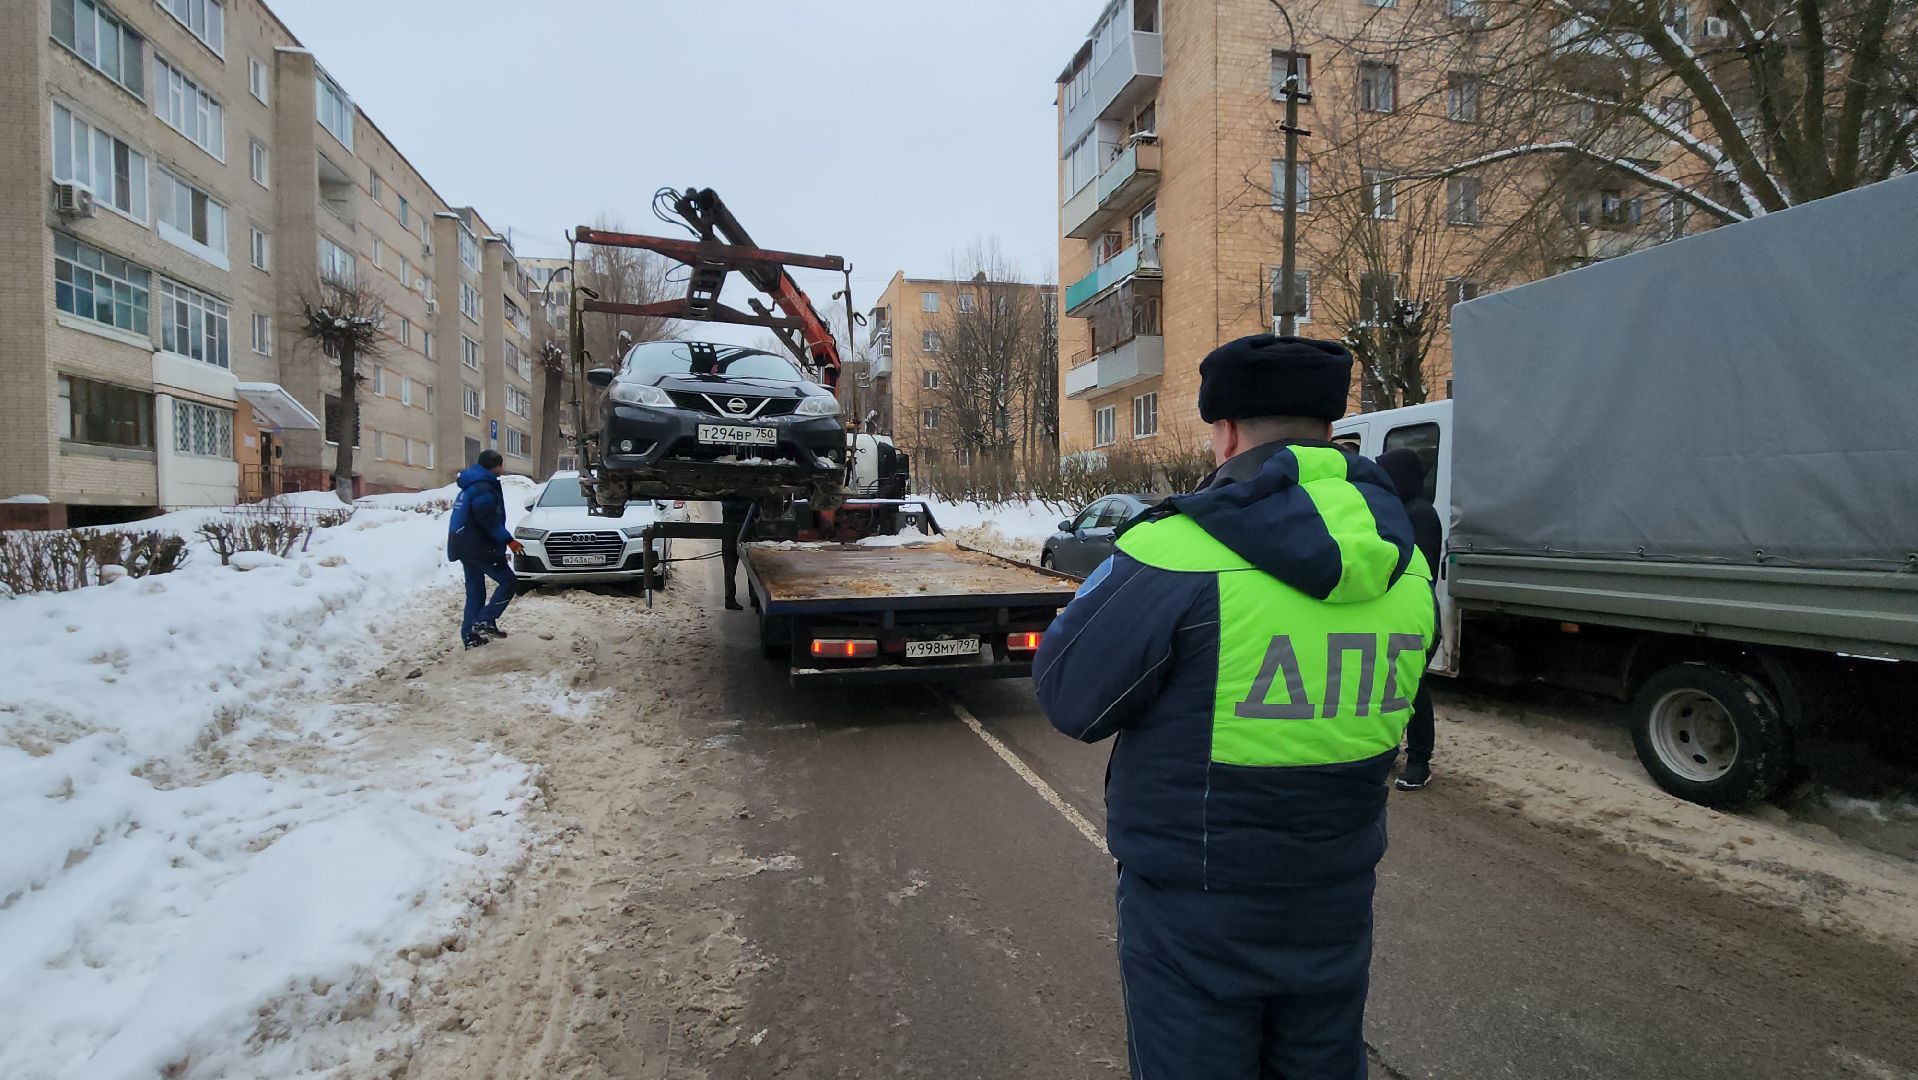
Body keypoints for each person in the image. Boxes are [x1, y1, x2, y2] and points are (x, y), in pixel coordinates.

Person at [1034, 334, 1435, 1079]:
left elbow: (1069, 698)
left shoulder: (1176, 552)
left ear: (1224, 433)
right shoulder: (1404, 562)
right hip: (1337, 896)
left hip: (1196, 907)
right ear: (1329, 429)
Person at [1378, 448, 1444, 791]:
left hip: (1417, 614)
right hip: (1400, 611)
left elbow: (1418, 568)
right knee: (1394, 684)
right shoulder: (1402, 510)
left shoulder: (1420, 514)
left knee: (1414, 687)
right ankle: (1391, 749)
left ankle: (1420, 760)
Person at [447, 449, 523, 649]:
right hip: (478, 545)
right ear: (495, 466)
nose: (502, 469)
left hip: (463, 544)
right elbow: (487, 520)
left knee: (476, 592)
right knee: (508, 582)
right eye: (501, 465)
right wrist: (509, 541)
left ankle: (470, 636)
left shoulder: (471, 484)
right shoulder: (482, 487)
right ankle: (485, 620)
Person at [719, 497, 753, 611]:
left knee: (751, 567)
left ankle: (752, 596)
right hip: (732, 533)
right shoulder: (730, 497)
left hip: (741, 532)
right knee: (730, 568)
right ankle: (730, 599)